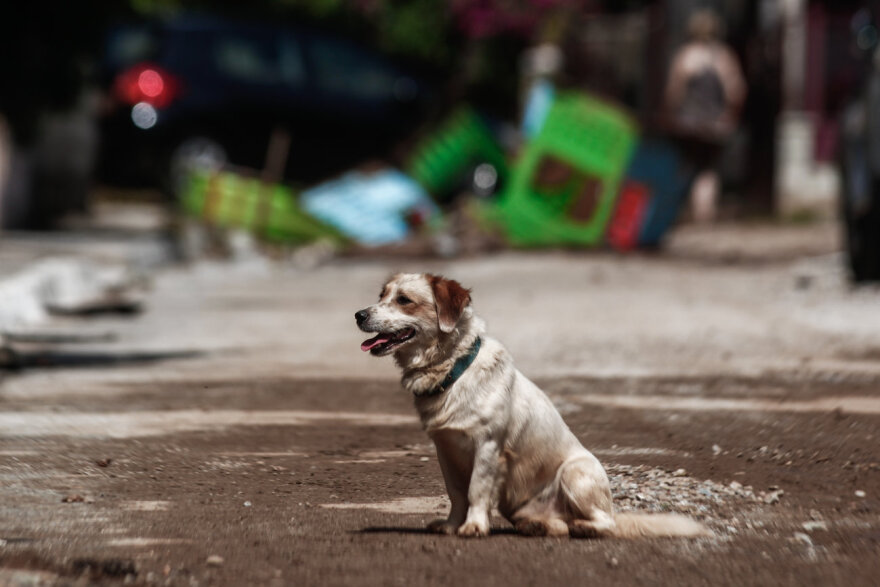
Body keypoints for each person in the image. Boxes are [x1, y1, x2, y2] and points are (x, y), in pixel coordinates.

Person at [664, 9, 747, 223]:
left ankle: (678, 211)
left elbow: (674, 91)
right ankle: (704, 214)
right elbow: (736, 90)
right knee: (708, 169)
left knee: (686, 166)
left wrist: (672, 113)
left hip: (688, 123)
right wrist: (730, 114)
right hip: (715, 124)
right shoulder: (723, 57)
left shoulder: (686, 55)